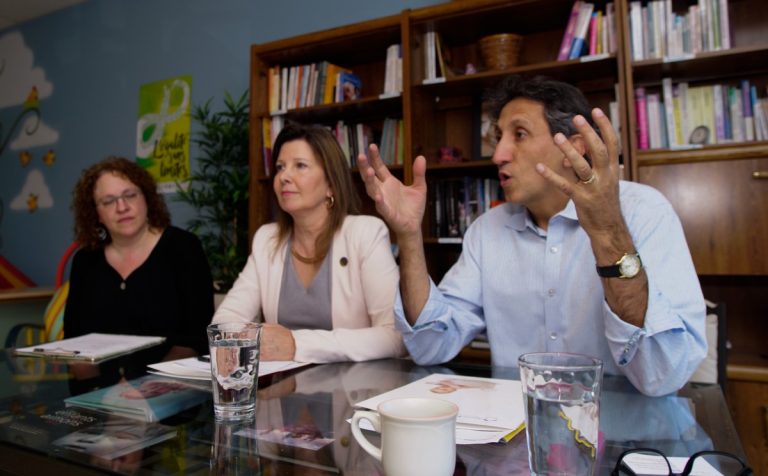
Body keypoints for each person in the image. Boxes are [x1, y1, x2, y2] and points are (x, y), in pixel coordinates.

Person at [357, 75, 706, 396]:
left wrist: (606, 230)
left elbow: (663, 374)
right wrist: (409, 236)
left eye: (519, 135)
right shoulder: (487, 229)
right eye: (498, 138)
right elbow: (431, 346)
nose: (498, 155)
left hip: (624, 438)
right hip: (516, 439)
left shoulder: (643, 211)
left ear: (576, 147)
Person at [212, 122, 405, 363]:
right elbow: (225, 321)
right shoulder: (267, 239)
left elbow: (395, 336)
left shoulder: (365, 233)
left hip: (353, 390)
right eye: (280, 167)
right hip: (279, 391)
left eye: (300, 166)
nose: (284, 177)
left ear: (331, 185)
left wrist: (296, 345)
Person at [64, 156, 214, 371]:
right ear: (96, 213)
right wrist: (94, 394)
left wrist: (151, 388)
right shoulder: (85, 260)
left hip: (171, 388)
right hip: (98, 396)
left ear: (146, 198)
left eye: (130, 195)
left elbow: (195, 338)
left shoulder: (183, 248)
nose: (122, 207)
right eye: (108, 201)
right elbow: (74, 342)